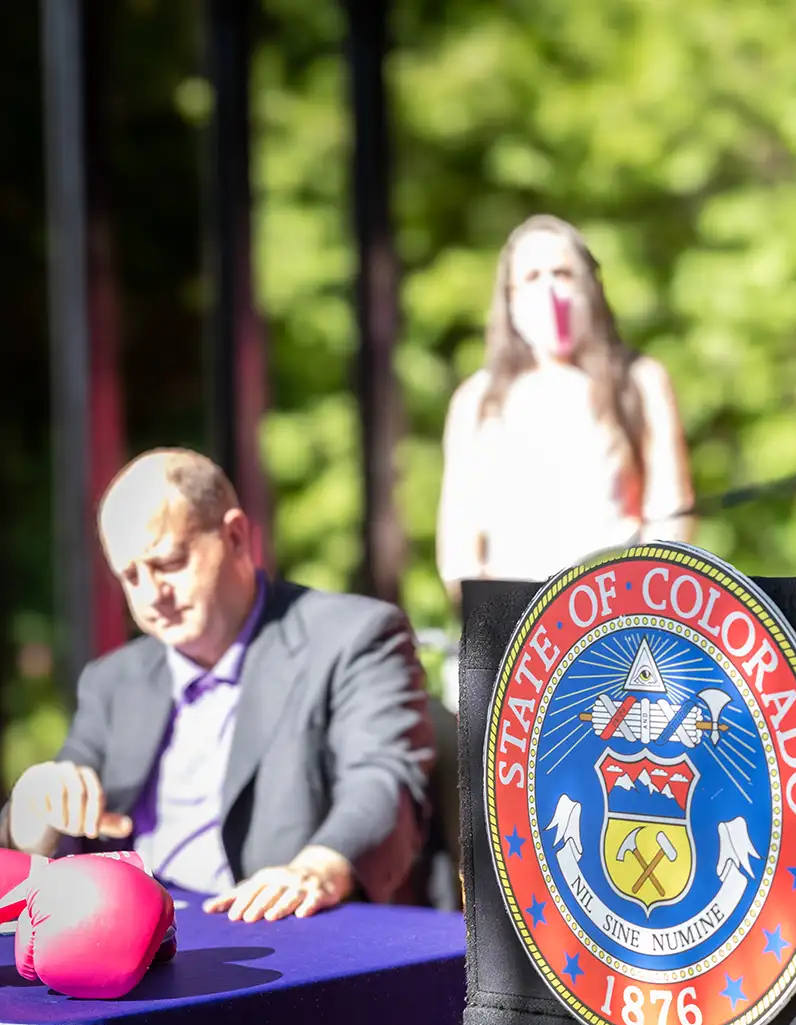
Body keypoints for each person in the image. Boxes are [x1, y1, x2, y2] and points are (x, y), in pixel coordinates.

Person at [2, 449, 434, 921]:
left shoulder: (352, 637)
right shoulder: (114, 680)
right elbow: (55, 827)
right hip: (132, 944)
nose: (151, 595)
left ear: (235, 536)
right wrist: (33, 813)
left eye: (168, 562)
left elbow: (383, 783)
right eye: (130, 576)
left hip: (280, 936)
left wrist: (317, 868)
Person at [437, 214, 695, 596]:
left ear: (589, 285)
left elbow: (672, 517)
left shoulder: (640, 381)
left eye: (562, 274)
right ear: (510, 297)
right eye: (532, 277)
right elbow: (459, 550)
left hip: (616, 611)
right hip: (513, 622)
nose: (549, 291)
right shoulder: (476, 401)